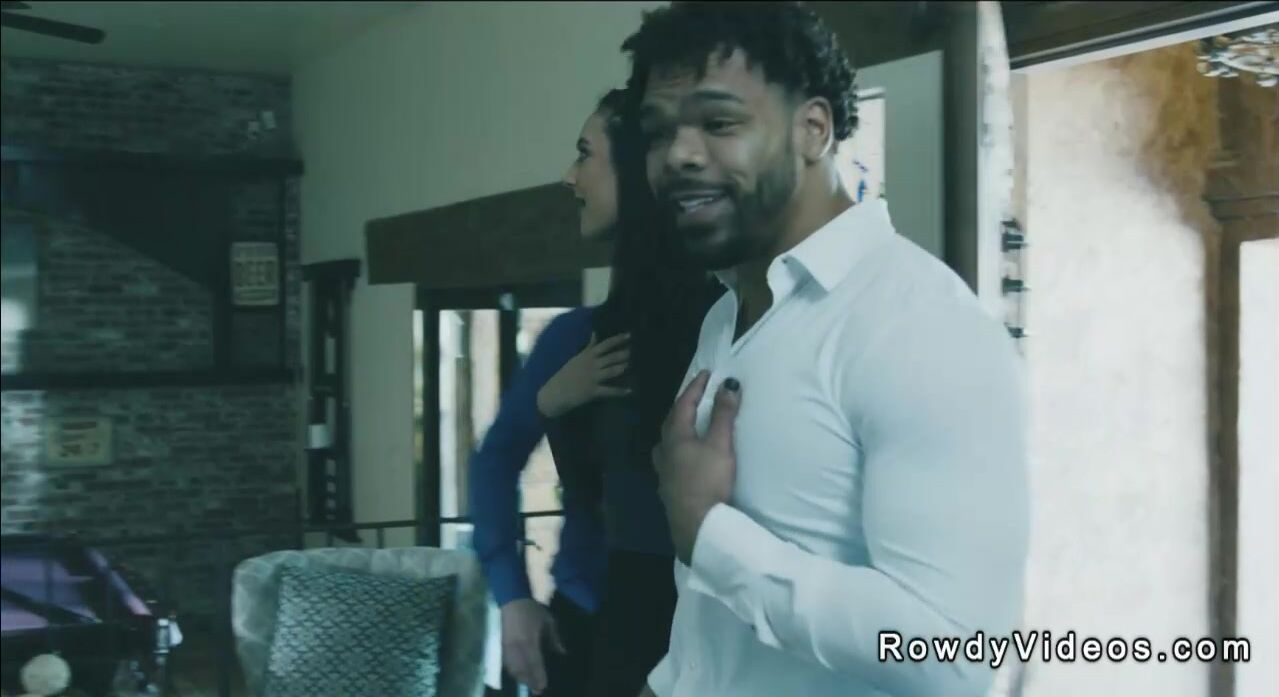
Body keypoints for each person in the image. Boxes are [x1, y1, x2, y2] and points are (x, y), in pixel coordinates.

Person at [624, 3, 1031, 696]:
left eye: (718, 123)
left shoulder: (918, 324)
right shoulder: (728, 313)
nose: (677, 156)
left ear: (813, 129)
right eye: (658, 131)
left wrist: (709, 535)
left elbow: (955, 656)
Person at [469, 89, 718, 697]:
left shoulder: (723, 328)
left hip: (700, 635)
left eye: (585, 154)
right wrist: (512, 597)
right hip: (582, 627)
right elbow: (494, 459)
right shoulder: (571, 338)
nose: (569, 176)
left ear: (637, 172)